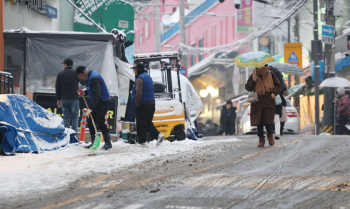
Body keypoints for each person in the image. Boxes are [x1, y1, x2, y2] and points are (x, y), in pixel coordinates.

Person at [76, 66, 112, 150]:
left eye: (79, 76)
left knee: (100, 121)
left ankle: (108, 142)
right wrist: (84, 93)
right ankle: (93, 142)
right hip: (97, 101)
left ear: (83, 74)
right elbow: (92, 91)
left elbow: (97, 94)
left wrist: (91, 108)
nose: (79, 78)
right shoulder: (89, 77)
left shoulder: (94, 78)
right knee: (91, 122)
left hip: (102, 101)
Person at [245, 65, 281, 147]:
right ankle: (261, 139)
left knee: (268, 120)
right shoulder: (254, 74)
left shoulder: (271, 73)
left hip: (269, 99)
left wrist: (274, 93)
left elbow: (278, 85)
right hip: (257, 101)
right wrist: (253, 81)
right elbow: (248, 87)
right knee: (259, 121)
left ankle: (270, 135)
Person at [131, 63, 165, 147]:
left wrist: (137, 104)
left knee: (141, 123)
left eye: (134, 69)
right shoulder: (148, 77)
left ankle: (142, 141)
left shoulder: (139, 79)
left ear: (138, 69)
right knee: (147, 122)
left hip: (143, 104)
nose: (134, 71)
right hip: (151, 103)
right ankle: (158, 136)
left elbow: (139, 93)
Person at [55, 58, 79, 132]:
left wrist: (58, 99)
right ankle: (74, 135)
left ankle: (67, 135)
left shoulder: (60, 74)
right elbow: (82, 83)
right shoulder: (76, 73)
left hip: (64, 99)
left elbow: (57, 88)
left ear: (65, 64)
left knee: (66, 118)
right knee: (75, 118)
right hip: (74, 98)